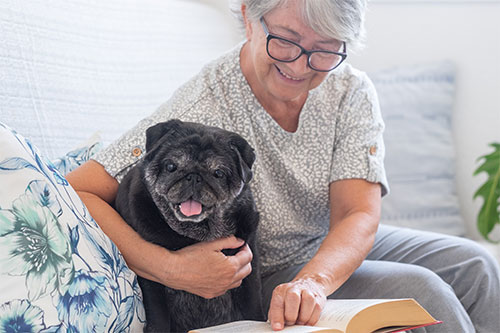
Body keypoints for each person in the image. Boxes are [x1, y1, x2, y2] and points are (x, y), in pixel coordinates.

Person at [67, 0, 500, 331]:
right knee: (422, 289)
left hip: (323, 249)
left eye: (324, 51)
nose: (300, 66)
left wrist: (314, 282)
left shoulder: (349, 90)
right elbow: (79, 188)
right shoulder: (206, 99)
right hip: (267, 267)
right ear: (249, 17)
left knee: (476, 266)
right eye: (287, 41)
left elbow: (357, 213)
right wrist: (168, 267)